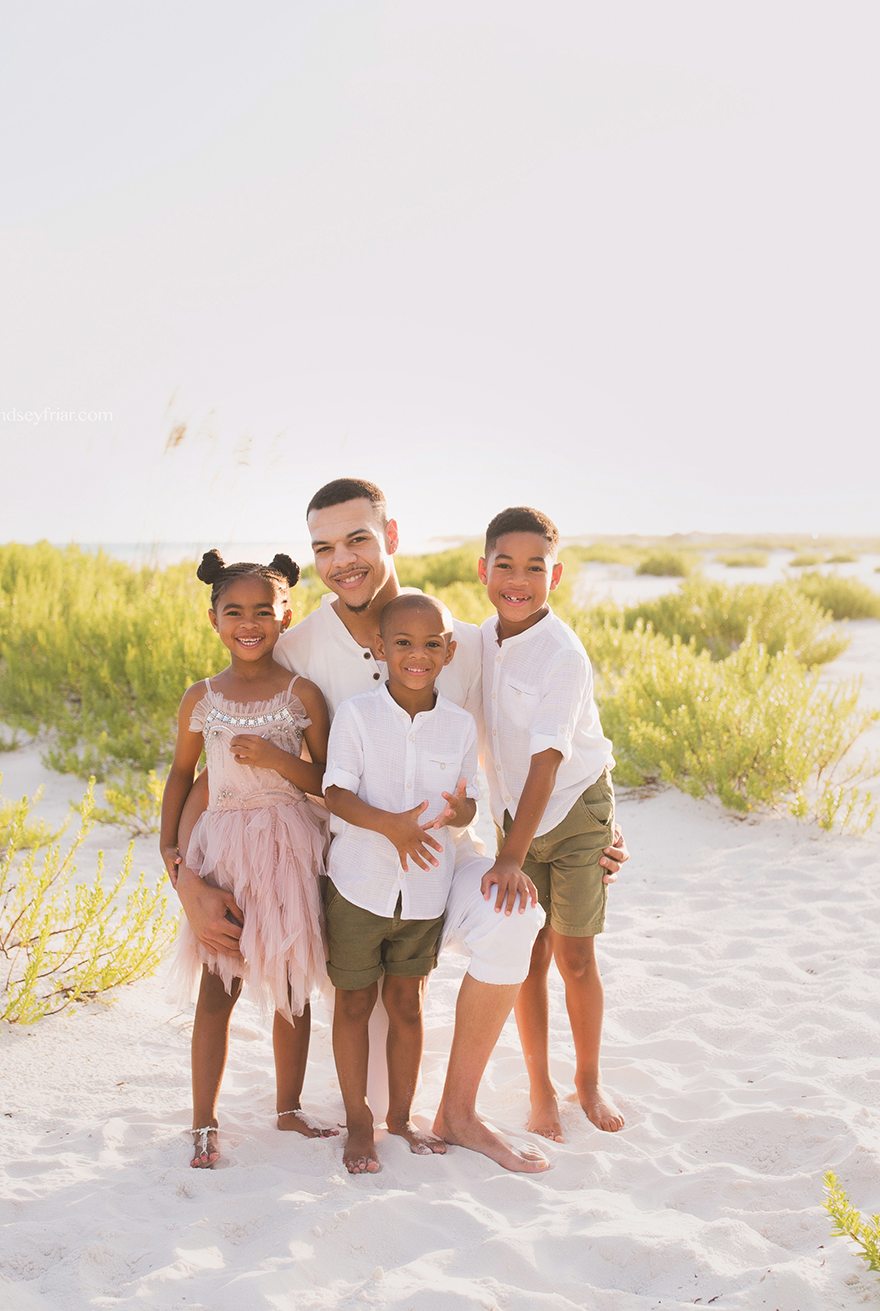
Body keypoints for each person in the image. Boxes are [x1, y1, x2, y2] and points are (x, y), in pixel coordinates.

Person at [169, 478, 631, 1173]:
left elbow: (531, 736)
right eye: (324, 546)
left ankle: (460, 1111)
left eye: (358, 538)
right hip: (343, 885)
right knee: (377, 1089)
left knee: (516, 914)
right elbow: (223, 768)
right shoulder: (296, 652)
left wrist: (591, 826)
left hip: (442, 865)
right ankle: (366, 1108)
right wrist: (183, 879)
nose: (343, 559)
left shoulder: (458, 638)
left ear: (389, 537)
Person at [157, 551, 339, 1169]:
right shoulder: (201, 699)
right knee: (218, 985)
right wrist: (172, 855)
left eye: (264, 610)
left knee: (292, 982)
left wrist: (277, 759)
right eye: (234, 611)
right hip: (224, 849)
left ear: (285, 616)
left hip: (288, 846)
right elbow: (183, 778)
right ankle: (203, 1121)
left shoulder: (300, 694)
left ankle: (287, 1108)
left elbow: (328, 782)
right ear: (213, 620)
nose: (249, 623)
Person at [319, 592, 489, 1173]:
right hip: (359, 888)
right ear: (379, 648)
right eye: (403, 644)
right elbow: (335, 793)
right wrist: (390, 827)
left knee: (408, 1006)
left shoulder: (460, 726)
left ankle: (400, 1116)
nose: (417, 655)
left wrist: (460, 812)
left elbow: (468, 808)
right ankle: (359, 1120)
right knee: (353, 1002)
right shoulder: (359, 716)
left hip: (424, 891)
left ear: (449, 651)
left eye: (431, 644)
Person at [479, 506, 626, 1141]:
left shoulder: (563, 655)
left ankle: (587, 1082)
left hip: (571, 809)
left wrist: (509, 858)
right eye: (504, 566)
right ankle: (541, 1089)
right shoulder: (478, 638)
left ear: (555, 575)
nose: (518, 580)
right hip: (517, 814)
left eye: (534, 568)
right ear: (482, 570)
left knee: (575, 956)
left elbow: (547, 761)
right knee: (525, 957)